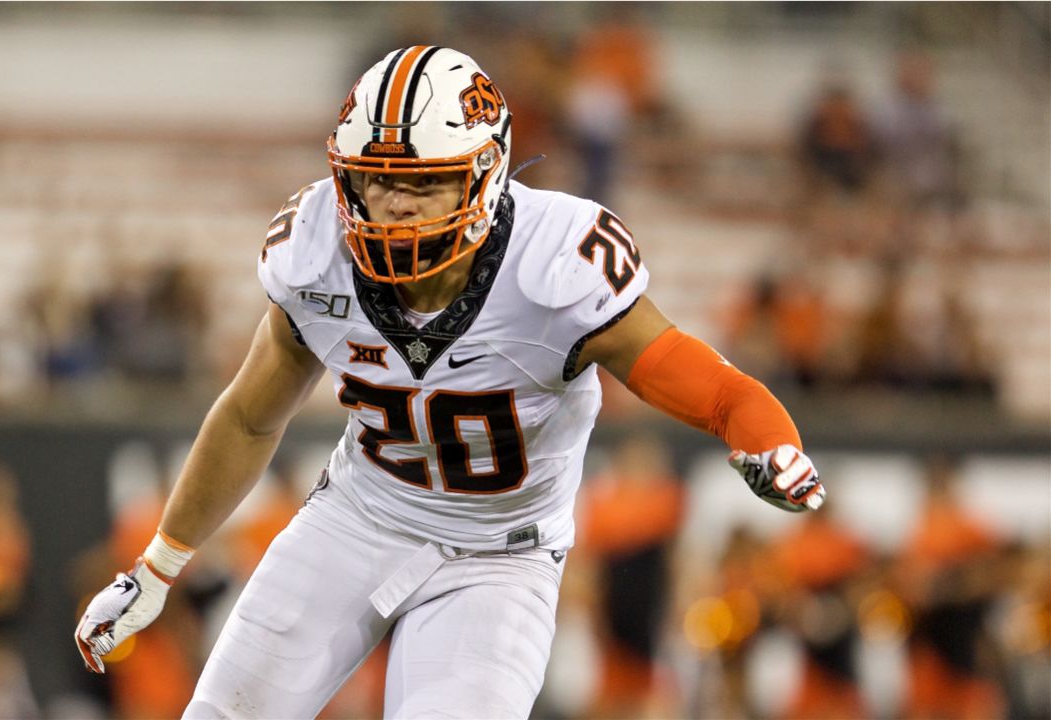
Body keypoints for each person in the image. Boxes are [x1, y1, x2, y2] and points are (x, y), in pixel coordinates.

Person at [75, 46, 826, 719]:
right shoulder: (317, 251)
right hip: (358, 519)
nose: (394, 204)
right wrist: (158, 566)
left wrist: (762, 432)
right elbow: (248, 417)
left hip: (503, 554)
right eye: (374, 180)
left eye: (425, 183)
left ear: (485, 174)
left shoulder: (554, 263)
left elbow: (698, 377)